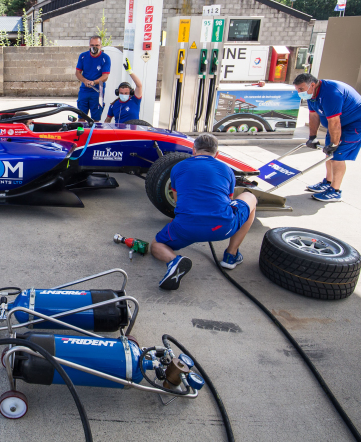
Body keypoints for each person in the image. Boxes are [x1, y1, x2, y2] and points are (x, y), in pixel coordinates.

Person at [153, 134, 258, 290]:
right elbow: (229, 201)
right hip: (222, 228)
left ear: (194, 150)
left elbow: (177, 200)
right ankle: (231, 255)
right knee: (250, 197)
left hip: (185, 228)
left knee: (156, 245)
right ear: (217, 154)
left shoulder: (178, 167)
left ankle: (173, 261)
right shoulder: (226, 169)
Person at [293, 73, 361, 202]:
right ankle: (328, 182)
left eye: (301, 89)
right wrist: (312, 137)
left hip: (357, 122)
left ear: (312, 85)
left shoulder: (331, 93)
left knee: (337, 154)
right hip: (339, 123)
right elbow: (313, 115)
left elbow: (334, 122)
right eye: (297, 89)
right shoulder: (311, 94)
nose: (299, 92)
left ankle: (335, 191)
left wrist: (334, 143)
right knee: (328, 152)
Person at [75, 35, 110, 121]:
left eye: (97, 45)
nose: (94, 47)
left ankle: (94, 133)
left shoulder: (105, 58)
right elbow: (77, 72)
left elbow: (105, 76)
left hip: (98, 91)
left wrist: (94, 82)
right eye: (92, 45)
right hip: (84, 90)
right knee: (81, 117)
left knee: (96, 119)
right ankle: (82, 134)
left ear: (100, 45)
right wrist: (85, 81)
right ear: (89, 45)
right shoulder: (83, 56)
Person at [104, 59, 142, 124]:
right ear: (117, 93)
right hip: (119, 132)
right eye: (121, 93)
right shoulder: (113, 105)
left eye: (126, 93)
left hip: (133, 131)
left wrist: (130, 71)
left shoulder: (135, 101)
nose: (124, 95)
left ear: (131, 93)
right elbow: (107, 120)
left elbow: (139, 86)